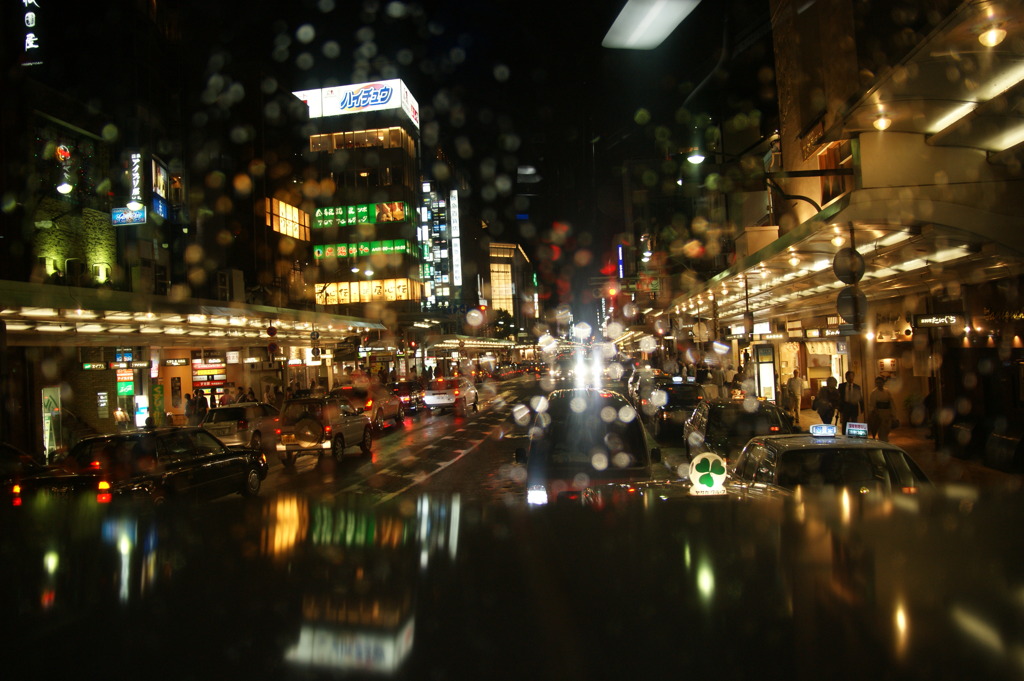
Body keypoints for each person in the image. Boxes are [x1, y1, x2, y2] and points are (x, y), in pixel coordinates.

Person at [868, 376, 895, 441]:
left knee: (887, 428)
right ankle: (883, 441)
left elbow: (891, 402)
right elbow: (872, 404)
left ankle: (886, 439)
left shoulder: (887, 391)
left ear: (883, 383)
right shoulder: (874, 393)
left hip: (887, 412)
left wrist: (893, 413)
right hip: (879, 412)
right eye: (877, 383)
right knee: (881, 429)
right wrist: (874, 412)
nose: (879, 384)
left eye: (880, 382)